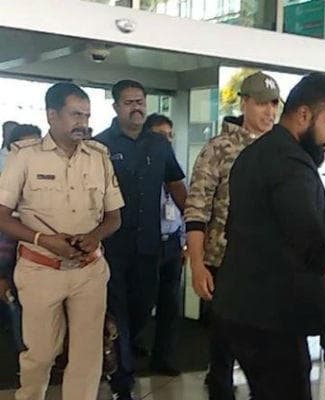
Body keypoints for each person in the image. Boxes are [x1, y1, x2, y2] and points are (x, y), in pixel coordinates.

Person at [212, 73, 325, 400]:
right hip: (271, 317)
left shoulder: (254, 154)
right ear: (304, 114)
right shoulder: (290, 163)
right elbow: (310, 240)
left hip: (242, 309)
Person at [0, 82, 123, 400]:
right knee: (41, 354)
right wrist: (43, 239)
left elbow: (114, 218)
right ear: (52, 115)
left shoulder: (98, 157)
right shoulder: (24, 156)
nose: (83, 123)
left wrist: (93, 236)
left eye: (87, 115)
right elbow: (2, 215)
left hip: (89, 270)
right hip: (40, 270)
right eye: (75, 115)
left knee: (87, 354)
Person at [184, 71, 281, 399]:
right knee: (223, 347)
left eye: (274, 104)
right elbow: (196, 210)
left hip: (269, 266)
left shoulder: (282, 148)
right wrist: (197, 265)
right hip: (225, 262)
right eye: (261, 104)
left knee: (267, 349)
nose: (269, 112)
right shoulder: (219, 148)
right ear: (244, 103)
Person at [95, 80, 187, 400]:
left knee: (142, 308)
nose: (136, 108)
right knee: (118, 310)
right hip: (112, 247)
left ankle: (117, 353)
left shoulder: (159, 144)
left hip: (150, 246)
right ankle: (123, 381)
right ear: (116, 107)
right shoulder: (100, 145)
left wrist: (195, 225)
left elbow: (176, 185)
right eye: (129, 102)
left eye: (140, 102)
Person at [139, 113, 185, 376]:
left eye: (169, 136)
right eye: (160, 136)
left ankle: (163, 357)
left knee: (170, 304)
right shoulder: (143, 170)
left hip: (173, 243)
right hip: (148, 244)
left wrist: (185, 242)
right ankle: (131, 348)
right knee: (142, 301)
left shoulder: (175, 168)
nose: (165, 141)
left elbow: (184, 208)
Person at [0, 123, 43, 352]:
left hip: (48, 261)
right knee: (21, 313)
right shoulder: (6, 184)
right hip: (14, 264)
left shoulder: (52, 179)